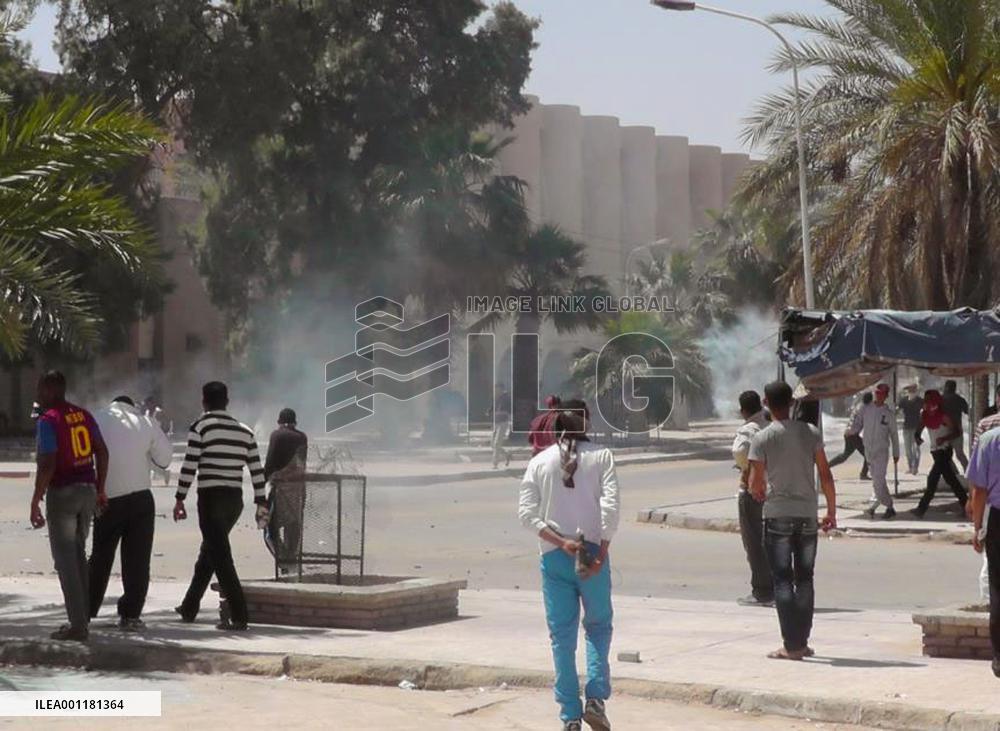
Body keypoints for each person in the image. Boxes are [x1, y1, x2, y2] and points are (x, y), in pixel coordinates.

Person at [518, 398, 618, 731]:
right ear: (586, 422)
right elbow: (610, 509)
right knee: (598, 627)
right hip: (591, 554)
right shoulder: (601, 456)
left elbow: (526, 514)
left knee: (561, 637)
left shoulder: (539, 462)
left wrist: (561, 542)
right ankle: (595, 699)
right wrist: (601, 550)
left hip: (554, 556)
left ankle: (570, 717)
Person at [748, 381, 837, 661]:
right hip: (808, 515)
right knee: (805, 579)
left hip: (777, 516)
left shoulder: (762, 439)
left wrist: (764, 491)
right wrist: (831, 511)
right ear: (792, 402)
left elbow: (755, 486)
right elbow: (825, 474)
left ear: (766, 403)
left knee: (783, 581)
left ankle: (792, 645)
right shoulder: (811, 433)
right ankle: (802, 640)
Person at [173, 381, 266, 631]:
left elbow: (190, 465)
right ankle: (189, 606)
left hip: (211, 498)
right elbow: (257, 470)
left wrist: (180, 497)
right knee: (210, 553)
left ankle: (239, 615)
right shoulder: (245, 431)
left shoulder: (201, 427)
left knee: (221, 557)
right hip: (234, 500)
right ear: (227, 401)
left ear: (204, 401)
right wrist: (261, 502)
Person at [30, 370, 109, 642]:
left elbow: (48, 463)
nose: (38, 394)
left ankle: (78, 626)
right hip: (87, 490)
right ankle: (81, 620)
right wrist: (100, 489)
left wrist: (35, 499)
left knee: (66, 562)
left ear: (52, 390)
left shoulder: (48, 420)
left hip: (63, 493)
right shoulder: (83, 415)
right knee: (77, 556)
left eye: (41, 389)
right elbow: (102, 450)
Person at [89, 396, 173, 631]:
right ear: (132, 406)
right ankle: (130, 614)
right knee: (137, 560)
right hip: (140, 499)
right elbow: (165, 460)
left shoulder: (96, 418)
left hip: (106, 497)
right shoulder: (145, 422)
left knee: (100, 556)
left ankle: (86, 609)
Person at [731, 390, 772, 607]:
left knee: (753, 541)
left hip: (750, 489)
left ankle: (762, 590)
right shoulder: (770, 425)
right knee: (767, 539)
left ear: (743, 410)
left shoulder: (748, 429)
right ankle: (773, 585)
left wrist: (745, 465)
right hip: (771, 488)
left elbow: (740, 451)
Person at [966, 424, 1000, 678]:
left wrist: (977, 528)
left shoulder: (989, 440)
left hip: (998, 519)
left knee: (998, 587)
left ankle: (999, 656)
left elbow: (979, 490)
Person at [264, 408, 309, 566]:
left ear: (279, 422)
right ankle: (292, 560)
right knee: (293, 526)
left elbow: (270, 463)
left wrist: (261, 482)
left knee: (269, 529)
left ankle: (284, 561)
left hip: (280, 490)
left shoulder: (277, 435)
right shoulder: (302, 437)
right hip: (298, 490)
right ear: (295, 422)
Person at [913, 390, 968, 518]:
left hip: (944, 450)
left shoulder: (944, 416)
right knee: (951, 480)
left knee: (932, 480)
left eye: (929, 401)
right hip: (935, 451)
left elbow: (957, 432)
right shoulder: (924, 415)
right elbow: (919, 429)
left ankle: (921, 508)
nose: (926, 404)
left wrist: (944, 438)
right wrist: (917, 437)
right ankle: (967, 504)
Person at [861, 383, 899, 520]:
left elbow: (894, 435)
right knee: (878, 481)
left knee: (878, 480)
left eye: (882, 393)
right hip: (868, 450)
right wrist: (851, 431)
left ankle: (873, 507)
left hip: (881, 450)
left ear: (886, 395)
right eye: (877, 392)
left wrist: (896, 453)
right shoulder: (866, 409)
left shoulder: (888, 414)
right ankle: (889, 507)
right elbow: (857, 421)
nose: (878, 395)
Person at [828, 393, 871, 480]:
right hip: (853, 435)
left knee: (845, 455)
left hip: (849, 433)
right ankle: (863, 474)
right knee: (868, 454)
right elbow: (867, 424)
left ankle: (827, 466)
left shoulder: (859, 406)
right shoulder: (865, 409)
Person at [942, 379, 970, 470]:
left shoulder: (941, 399)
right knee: (960, 454)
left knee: (945, 455)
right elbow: (967, 411)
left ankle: (954, 473)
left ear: (946, 387)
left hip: (944, 430)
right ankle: (969, 472)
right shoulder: (960, 399)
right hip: (957, 430)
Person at [897, 384, 924, 475]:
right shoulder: (904, 400)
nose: (911, 392)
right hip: (906, 427)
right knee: (908, 449)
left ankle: (915, 467)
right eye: (909, 390)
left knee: (916, 448)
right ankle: (910, 467)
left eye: (912, 390)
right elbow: (898, 410)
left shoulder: (920, 401)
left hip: (917, 427)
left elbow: (924, 411)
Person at [491, 384, 511, 469]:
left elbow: (508, 411)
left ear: (501, 389)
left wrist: (500, 413)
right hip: (497, 422)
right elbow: (494, 408)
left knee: (496, 443)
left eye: (497, 389)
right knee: (492, 444)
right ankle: (507, 454)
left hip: (503, 422)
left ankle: (495, 464)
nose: (495, 391)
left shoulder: (506, 398)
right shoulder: (497, 398)